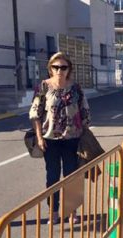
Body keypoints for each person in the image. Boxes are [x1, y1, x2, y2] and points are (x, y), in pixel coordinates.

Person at [29, 52, 91, 223]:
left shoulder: (76, 88)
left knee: (72, 176)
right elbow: (35, 114)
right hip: (50, 140)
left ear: (68, 69)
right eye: (56, 67)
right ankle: (54, 211)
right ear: (50, 68)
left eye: (63, 67)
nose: (59, 70)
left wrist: (85, 134)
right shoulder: (43, 87)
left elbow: (85, 112)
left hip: (72, 139)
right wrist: (39, 138)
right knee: (52, 176)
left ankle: (72, 211)